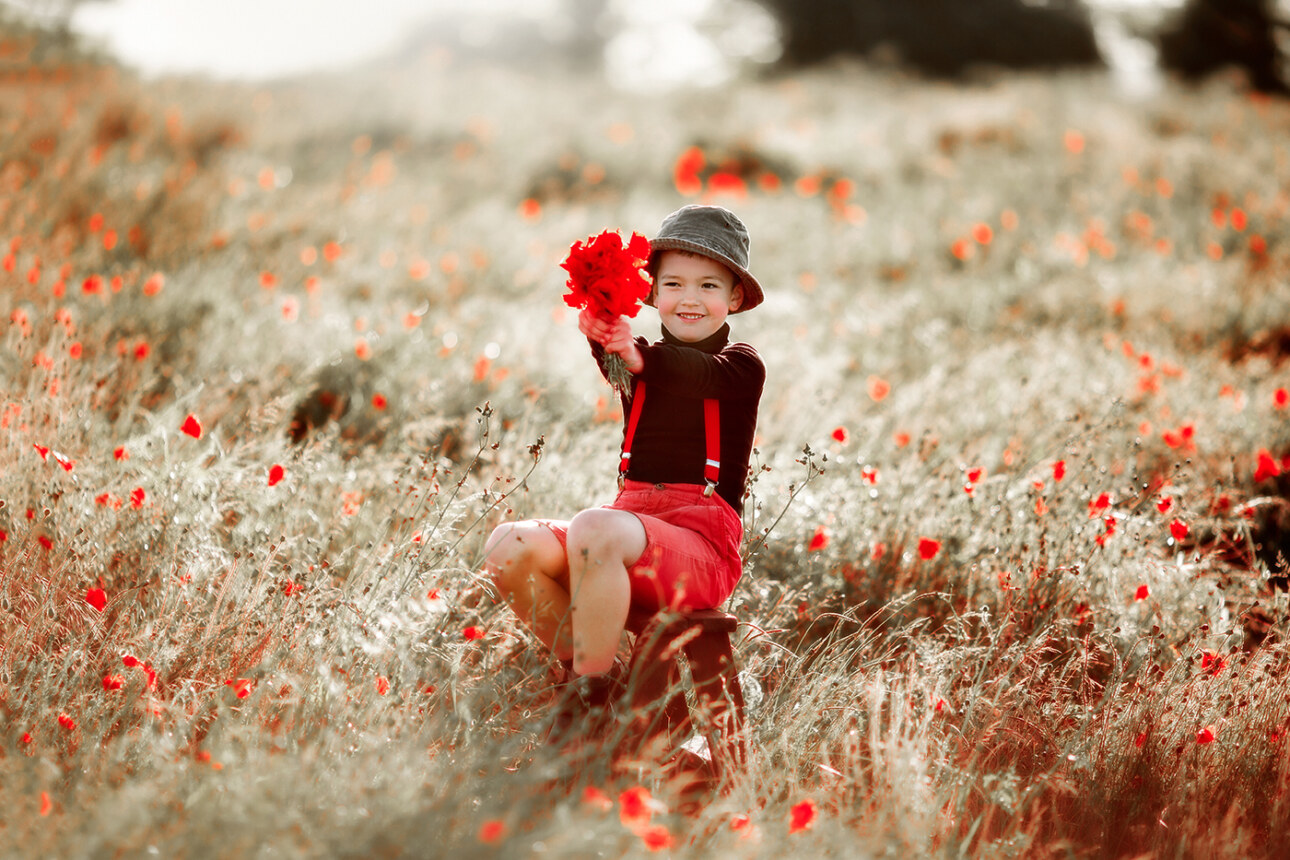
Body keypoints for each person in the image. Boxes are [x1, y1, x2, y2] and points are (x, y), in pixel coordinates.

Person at [482, 204, 766, 719]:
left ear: (735, 297)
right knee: (508, 545)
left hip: (699, 551)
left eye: (709, 286)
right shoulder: (636, 363)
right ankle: (594, 675)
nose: (689, 299)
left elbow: (691, 373)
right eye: (674, 284)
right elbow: (625, 356)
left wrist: (638, 356)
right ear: (652, 292)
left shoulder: (739, 367)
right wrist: (600, 324)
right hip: (629, 532)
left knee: (597, 527)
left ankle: (584, 710)